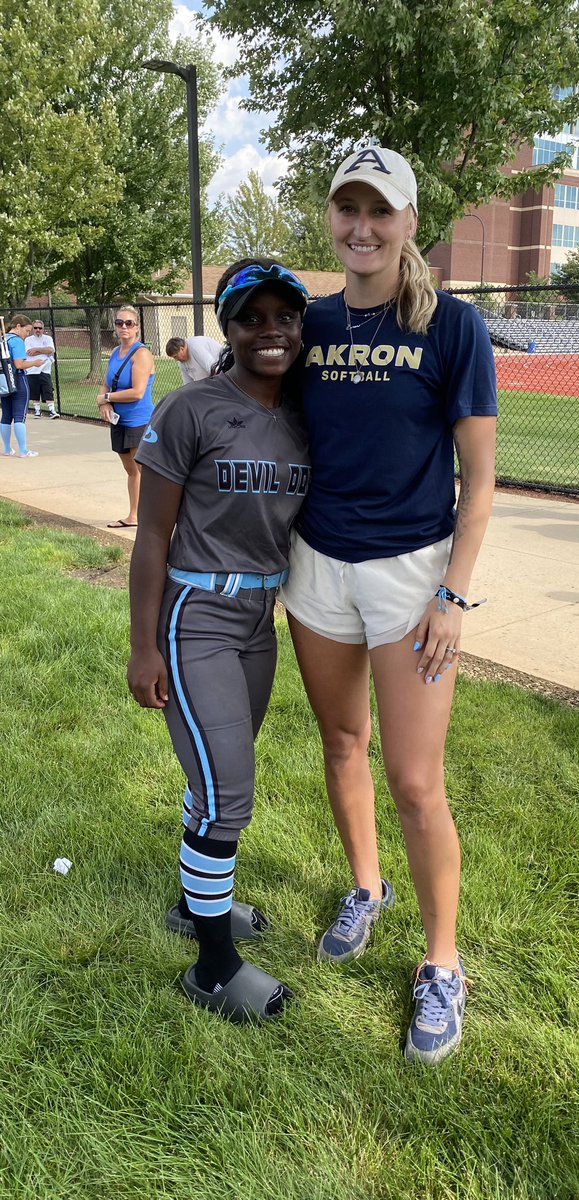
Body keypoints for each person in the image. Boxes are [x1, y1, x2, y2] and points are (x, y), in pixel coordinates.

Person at [280, 146, 498, 1066]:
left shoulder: (452, 327)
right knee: (340, 743)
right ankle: (366, 888)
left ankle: (441, 965)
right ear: (331, 219)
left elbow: (480, 479)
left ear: (410, 222)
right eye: (347, 210)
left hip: (410, 578)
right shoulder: (309, 324)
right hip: (315, 566)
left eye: (380, 211)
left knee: (415, 781)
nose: (361, 228)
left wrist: (452, 590)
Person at [127, 259, 310, 1023]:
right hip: (196, 613)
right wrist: (143, 647)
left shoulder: (303, 414)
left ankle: (192, 903)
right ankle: (212, 966)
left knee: (214, 777)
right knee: (227, 792)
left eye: (283, 317)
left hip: (257, 622)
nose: (269, 330)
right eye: (250, 317)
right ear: (226, 329)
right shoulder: (192, 408)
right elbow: (151, 535)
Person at [96, 306, 155, 529]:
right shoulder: (115, 353)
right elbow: (106, 383)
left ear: (137, 327)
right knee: (131, 471)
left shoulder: (142, 354)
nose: (124, 327)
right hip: (119, 421)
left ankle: (157, 517)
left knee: (144, 472)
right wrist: (106, 401)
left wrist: (106, 397)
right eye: (119, 323)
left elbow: (137, 392)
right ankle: (134, 516)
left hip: (139, 422)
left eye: (129, 323)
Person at [1, 314, 46, 458]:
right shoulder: (17, 341)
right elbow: (19, 364)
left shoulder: (2, 339)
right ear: (18, 326)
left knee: (6, 416)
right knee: (20, 416)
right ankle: (23, 450)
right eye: (27, 331)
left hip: (4, 381)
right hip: (19, 379)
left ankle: (8, 448)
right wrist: (34, 363)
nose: (27, 335)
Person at [26, 319, 58, 418]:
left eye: (40, 328)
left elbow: (51, 350)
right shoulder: (28, 340)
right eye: (35, 328)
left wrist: (36, 349)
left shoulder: (48, 339)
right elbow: (29, 352)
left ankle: (52, 411)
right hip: (32, 369)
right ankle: (37, 411)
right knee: (35, 392)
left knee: (47, 390)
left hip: (45, 369)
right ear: (33, 329)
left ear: (43, 329)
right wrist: (44, 351)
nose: (38, 330)